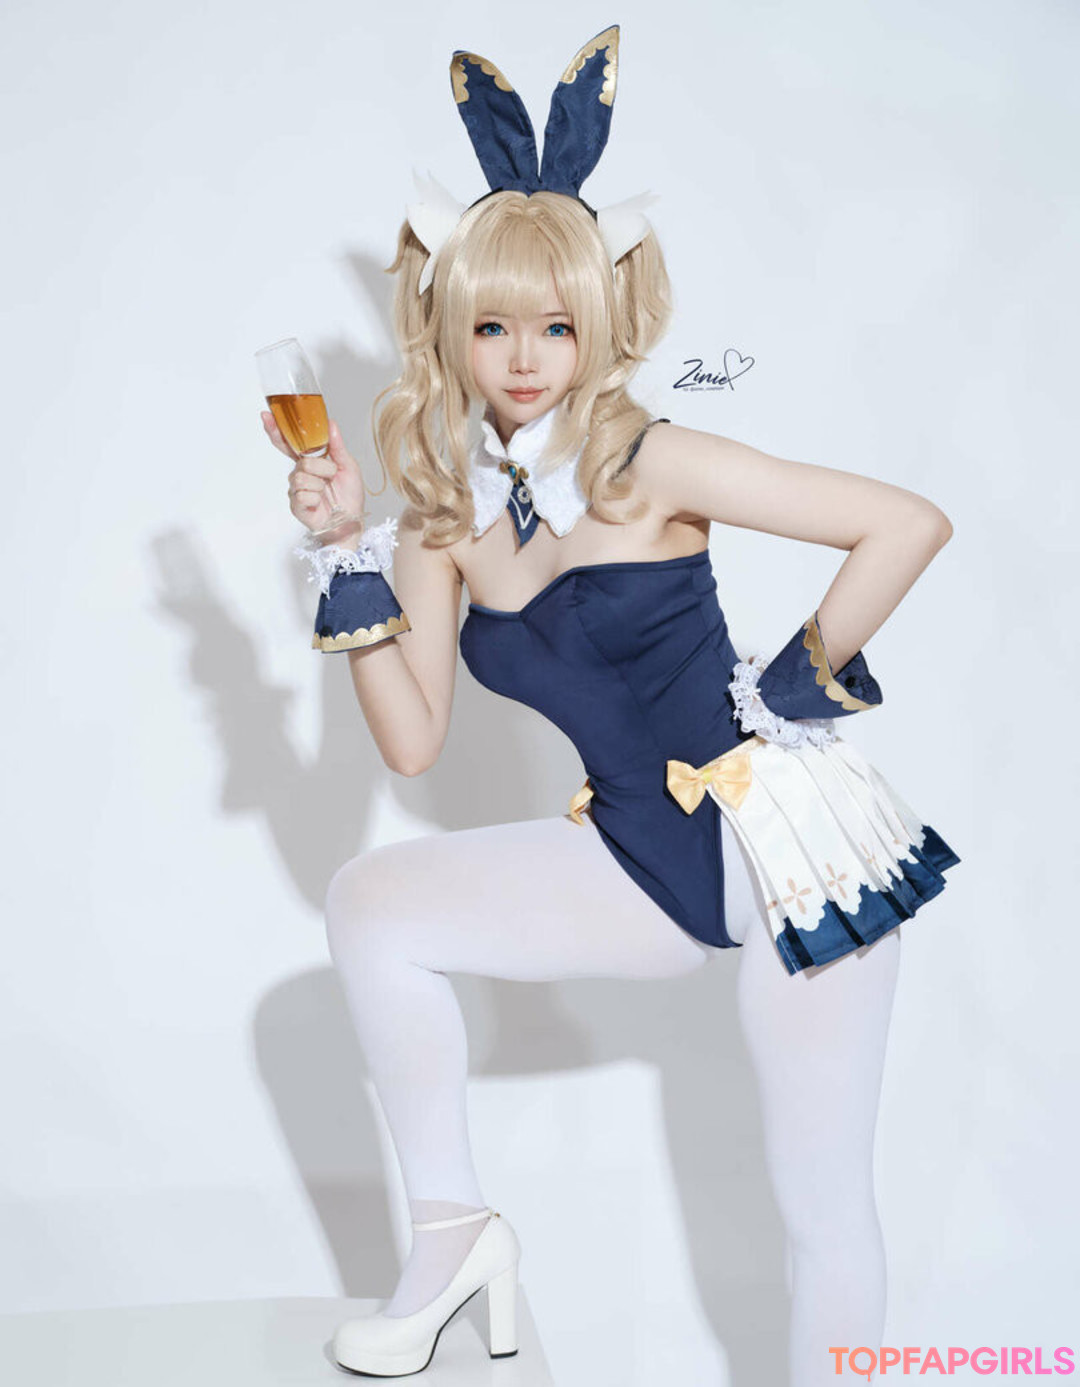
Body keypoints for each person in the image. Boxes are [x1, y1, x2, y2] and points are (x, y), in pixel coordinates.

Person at [260, 26, 960, 1385]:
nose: (525, 358)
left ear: (596, 326)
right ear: (453, 332)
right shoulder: (445, 521)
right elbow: (412, 740)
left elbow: (904, 524)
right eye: (494, 327)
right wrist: (344, 552)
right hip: (638, 854)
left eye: (556, 325)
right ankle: (453, 1238)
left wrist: (788, 691)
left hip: (789, 853)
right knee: (371, 905)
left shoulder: (652, 460)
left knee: (819, 1207)